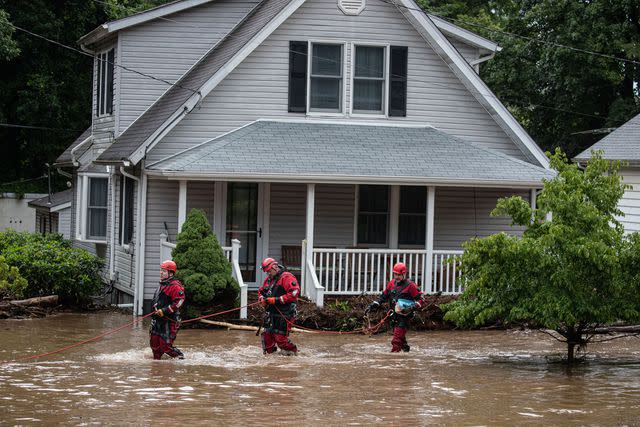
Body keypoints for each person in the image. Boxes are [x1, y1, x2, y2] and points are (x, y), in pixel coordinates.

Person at [365, 262, 423, 352]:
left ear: (404, 274)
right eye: (395, 274)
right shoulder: (391, 284)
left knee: (396, 340)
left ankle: (394, 358)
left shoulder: (411, 285)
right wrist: (374, 304)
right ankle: (406, 352)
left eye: (399, 275)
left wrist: (413, 307)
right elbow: (383, 296)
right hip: (393, 316)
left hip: (405, 317)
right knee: (401, 338)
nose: (396, 277)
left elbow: (421, 299)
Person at [257, 257, 300, 355]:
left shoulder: (287, 277)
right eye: (266, 272)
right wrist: (261, 299)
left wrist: (276, 300)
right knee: (267, 337)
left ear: (275, 267)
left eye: (269, 271)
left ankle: (294, 353)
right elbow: (261, 291)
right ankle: (271, 358)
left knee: (280, 339)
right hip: (271, 313)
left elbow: (294, 293)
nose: (267, 274)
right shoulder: (268, 280)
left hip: (285, 313)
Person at [149, 260, 185, 360]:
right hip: (158, 320)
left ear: (171, 273)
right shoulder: (162, 284)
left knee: (166, 347)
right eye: (161, 270)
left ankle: (181, 358)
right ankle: (157, 368)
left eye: (164, 271)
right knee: (154, 346)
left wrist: (164, 311)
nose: (161, 272)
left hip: (170, 320)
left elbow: (180, 301)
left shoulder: (175, 287)